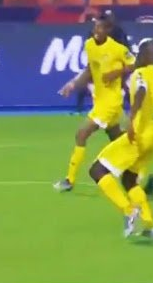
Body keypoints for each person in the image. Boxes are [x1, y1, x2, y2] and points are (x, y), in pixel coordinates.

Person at [89, 38, 153, 238]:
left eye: (140, 53)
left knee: (97, 170)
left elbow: (142, 90)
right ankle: (149, 226)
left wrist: (132, 119)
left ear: (146, 54)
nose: (136, 57)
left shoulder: (140, 73)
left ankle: (128, 210)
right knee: (129, 180)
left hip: (138, 135)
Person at [55, 15, 136, 192]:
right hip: (100, 100)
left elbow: (135, 64)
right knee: (117, 139)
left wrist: (117, 72)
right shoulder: (89, 45)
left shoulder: (118, 49)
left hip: (110, 103)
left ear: (108, 30)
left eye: (100, 27)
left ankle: (69, 180)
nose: (96, 31)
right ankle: (135, 170)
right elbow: (90, 70)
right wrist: (72, 84)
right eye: (95, 27)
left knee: (81, 134)